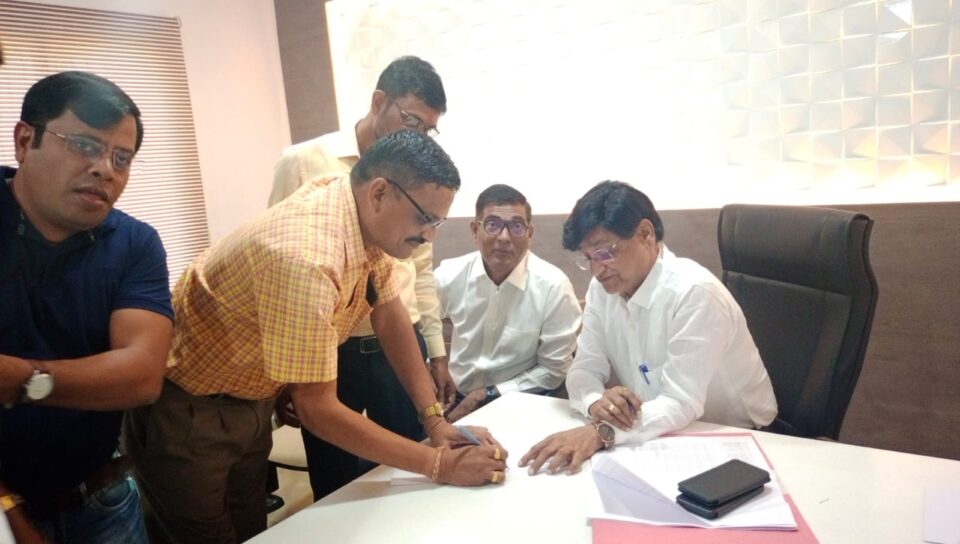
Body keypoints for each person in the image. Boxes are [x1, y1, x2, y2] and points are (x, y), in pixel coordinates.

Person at [125, 130, 508, 544]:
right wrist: (439, 465)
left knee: (251, 530)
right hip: (189, 410)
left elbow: (388, 311)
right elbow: (317, 409)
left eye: (436, 223)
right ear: (379, 193)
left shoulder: (352, 207)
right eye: (424, 219)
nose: (429, 235)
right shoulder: (306, 256)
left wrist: (434, 420)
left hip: (250, 400)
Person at [0, 71, 173, 542]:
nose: (105, 170)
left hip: (101, 497)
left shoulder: (134, 243)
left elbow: (141, 375)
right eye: (83, 145)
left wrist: (20, 380)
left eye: (122, 158)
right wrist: (7, 511)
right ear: (25, 140)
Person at [269, 55, 452, 500]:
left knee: (411, 470)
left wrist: (435, 352)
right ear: (378, 102)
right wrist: (284, 377)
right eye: (411, 120)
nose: (417, 136)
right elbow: (278, 268)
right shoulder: (305, 162)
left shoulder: (418, 176)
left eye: (428, 129)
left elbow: (419, 269)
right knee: (334, 471)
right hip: (331, 347)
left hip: (397, 336)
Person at [520, 181, 777, 475]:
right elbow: (584, 369)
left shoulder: (695, 292)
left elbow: (680, 402)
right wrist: (596, 403)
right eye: (588, 258)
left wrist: (601, 432)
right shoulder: (602, 290)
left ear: (645, 234)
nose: (596, 270)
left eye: (604, 253)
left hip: (741, 439)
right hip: (659, 432)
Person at [434, 184, 581, 422]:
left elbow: (554, 370)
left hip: (523, 401)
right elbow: (420, 327)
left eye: (516, 226)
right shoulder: (449, 275)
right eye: (492, 225)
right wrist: (434, 364)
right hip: (455, 397)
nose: (504, 237)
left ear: (529, 234)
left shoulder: (554, 287)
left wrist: (489, 393)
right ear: (475, 230)